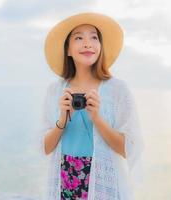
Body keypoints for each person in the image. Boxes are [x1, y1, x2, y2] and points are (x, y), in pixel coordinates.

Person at [41, 12, 144, 200]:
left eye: (94, 37)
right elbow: (46, 148)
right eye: (78, 37)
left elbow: (128, 148)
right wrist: (62, 120)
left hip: (103, 181)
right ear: (68, 50)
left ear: (100, 47)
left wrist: (97, 117)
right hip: (65, 178)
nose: (88, 43)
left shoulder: (117, 89)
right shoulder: (55, 90)